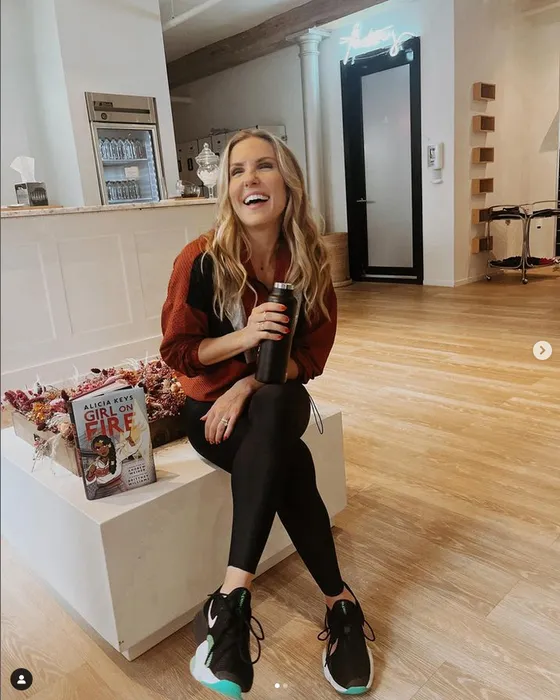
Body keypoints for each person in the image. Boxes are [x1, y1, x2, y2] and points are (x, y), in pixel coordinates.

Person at [160, 129, 375, 698]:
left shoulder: (309, 262)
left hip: (272, 402)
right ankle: (340, 604)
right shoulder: (201, 259)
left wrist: (249, 383)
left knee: (280, 399)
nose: (249, 179)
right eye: (236, 171)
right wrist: (245, 339)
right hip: (212, 415)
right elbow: (178, 352)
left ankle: (231, 600)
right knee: (292, 466)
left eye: (264, 166)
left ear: (288, 182)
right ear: (227, 189)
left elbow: (311, 357)